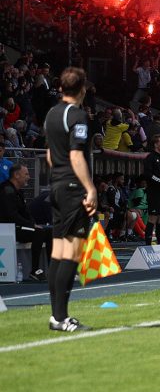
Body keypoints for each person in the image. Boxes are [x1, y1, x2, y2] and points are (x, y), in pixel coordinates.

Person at [44, 66, 98, 332]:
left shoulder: (52, 114)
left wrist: (59, 178)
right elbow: (76, 156)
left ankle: (56, 316)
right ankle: (62, 317)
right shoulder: (77, 115)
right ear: (83, 89)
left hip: (56, 186)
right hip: (72, 188)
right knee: (72, 253)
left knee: (57, 253)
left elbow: (50, 156)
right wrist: (89, 188)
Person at [0, 163, 50, 281]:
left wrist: (33, 223)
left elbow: (26, 213)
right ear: (17, 175)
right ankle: (34, 270)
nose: (29, 177)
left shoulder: (19, 191)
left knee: (49, 232)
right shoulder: (6, 190)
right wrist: (32, 225)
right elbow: (12, 215)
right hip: (8, 228)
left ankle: (52, 268)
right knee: (39, 232)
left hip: (18, 226)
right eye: (26, 174)